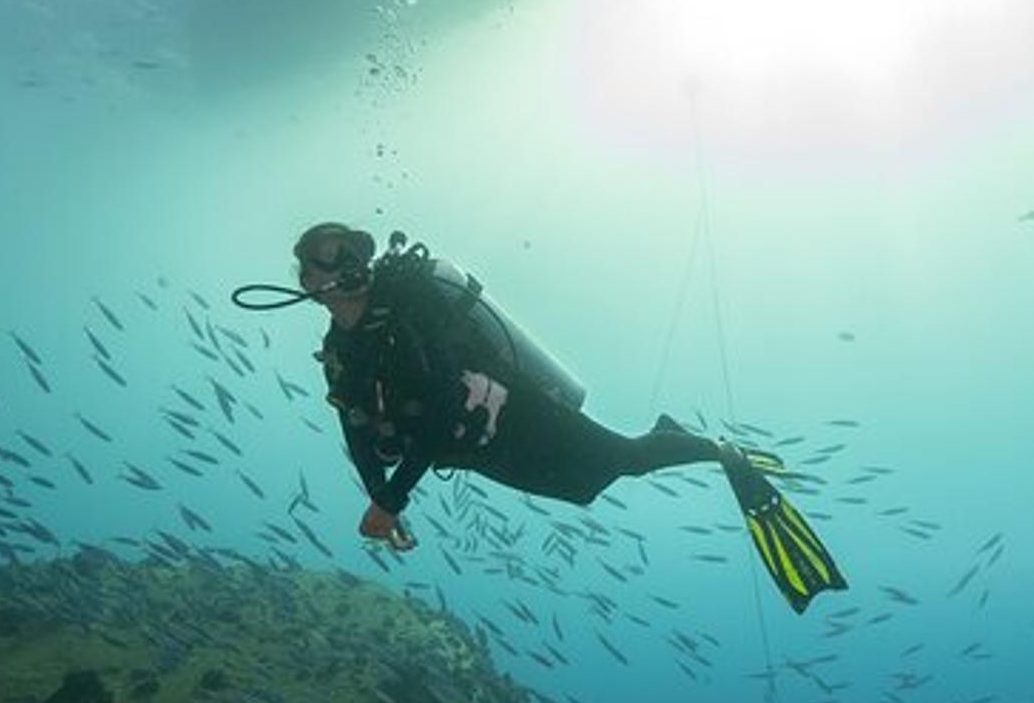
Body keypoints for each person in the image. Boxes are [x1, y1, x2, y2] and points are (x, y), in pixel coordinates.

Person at [283, 222, 846, 613]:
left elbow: (438, 412)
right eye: (333, 257)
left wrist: (389, 502)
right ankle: (663, 438)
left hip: (523, 412)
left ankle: (718, 452)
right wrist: (380, 491)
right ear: (309, 282)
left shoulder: (411, 309)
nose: (350, 264)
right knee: (584, 486)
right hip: (478, 450)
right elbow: (354, 427)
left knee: (624, 461)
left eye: (355, 250)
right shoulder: (340, 352)